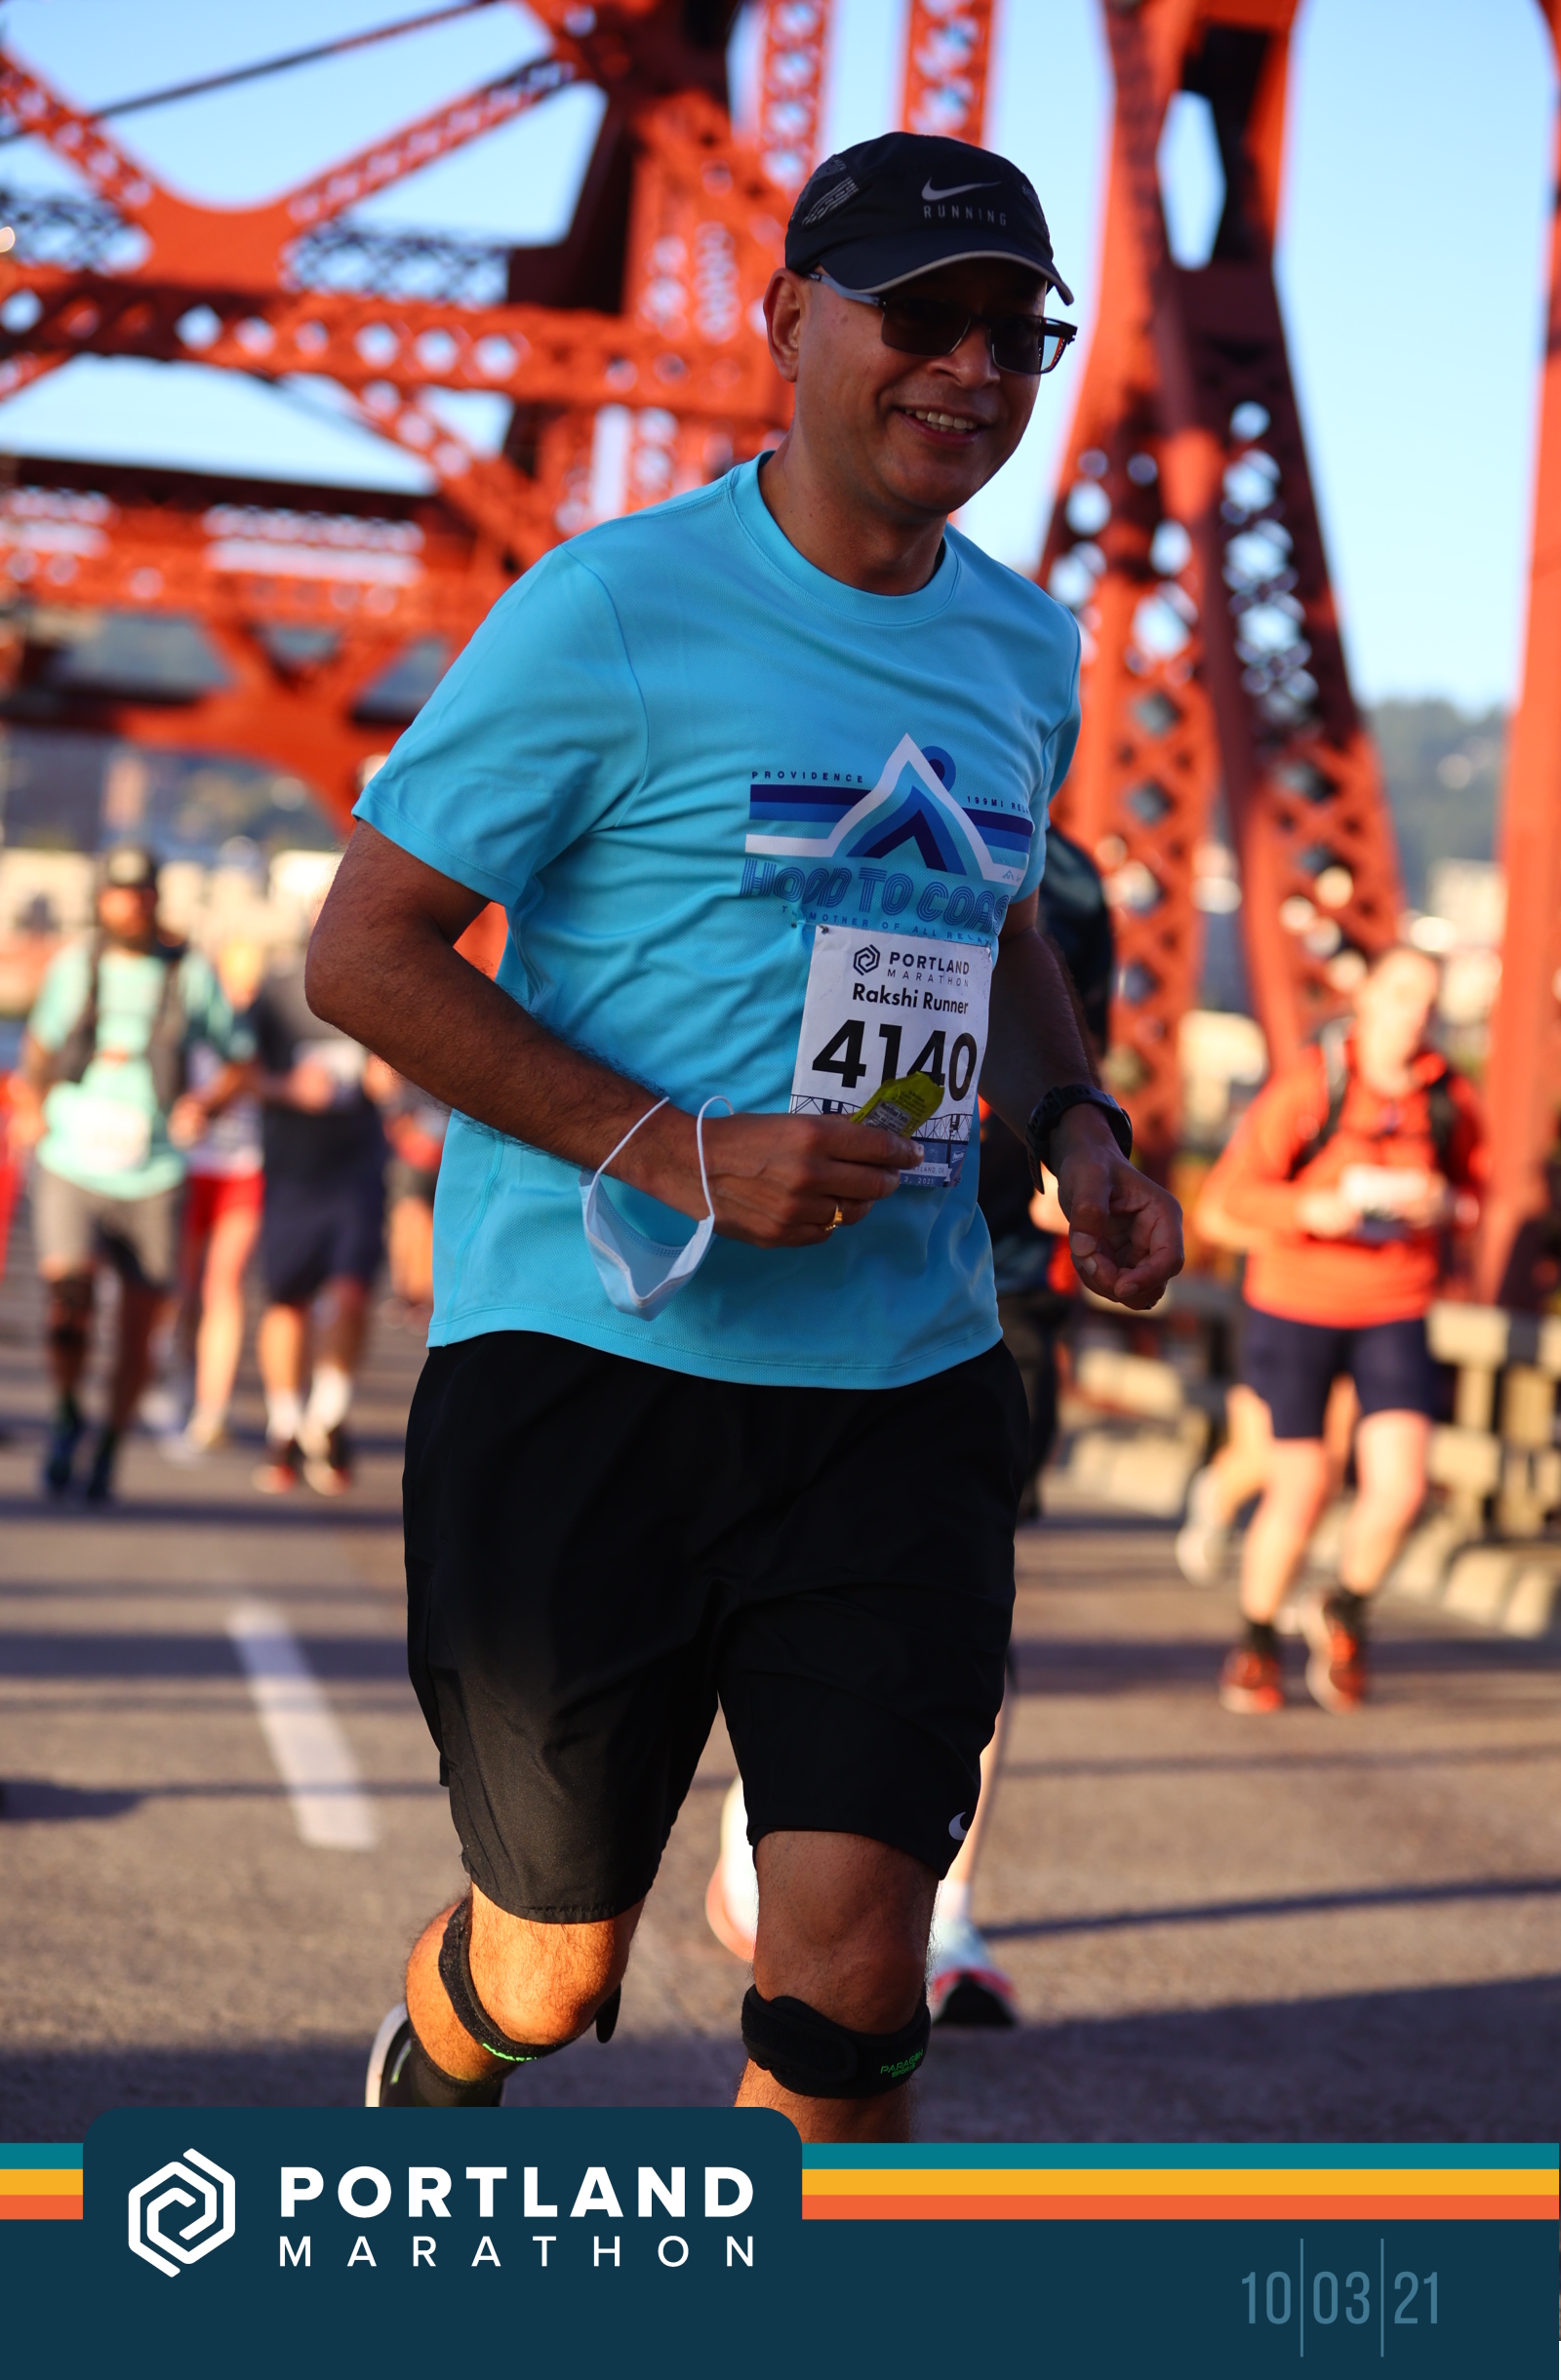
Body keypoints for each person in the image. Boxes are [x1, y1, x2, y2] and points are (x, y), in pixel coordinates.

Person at [308, 129, 1182, 2138]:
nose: (970, 366)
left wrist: (1075, 1124)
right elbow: (364, 953)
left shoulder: (1023, 647)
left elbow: (998, 910)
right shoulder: (613, 608)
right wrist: (681, 1150)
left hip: (901, 1378)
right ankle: (441, 2059)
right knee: (552, 1960)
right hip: (594, 1357)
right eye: (921, 316)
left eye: (1015, 332)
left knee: (859, 1966)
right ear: (788, 318)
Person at [1209, 945, 1484, 1715]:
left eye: (1429, 1001)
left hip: (1394, 1304)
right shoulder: (1315, 1084)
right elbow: (1227, 1200)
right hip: (1296, 1301)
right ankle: (1257, 1641)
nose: (1415, 1014)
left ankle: (1345, 1608)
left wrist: (1444, 1203)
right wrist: (1308, 1209)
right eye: (1400, 995)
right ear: (1366, 998)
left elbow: (1478, 1194)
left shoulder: (1448, 1096)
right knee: (1301, 1485)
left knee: (1402, 1488)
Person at [9, 845, 252, 1502]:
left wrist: (207, 1106)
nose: (130, 907)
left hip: (153, 1172)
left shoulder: (189, 973)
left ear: (155, 899)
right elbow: (39, 1045)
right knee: (69, 1299)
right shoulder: (77, 965)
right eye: (118, 895)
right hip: (72, 1158)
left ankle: (111, 1440)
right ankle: (67, 1412)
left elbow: (240, 1060)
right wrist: (31, 1105)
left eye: (141, 894)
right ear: (101, 901)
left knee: (138, 1329)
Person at [249, 927, 387, 1496]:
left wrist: (389, 1078)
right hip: (293, 1172)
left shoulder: (380, 983)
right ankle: (284, 1423)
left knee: (352, 1293)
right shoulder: (277, 990)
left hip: (357, 1170)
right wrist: (288, 1088)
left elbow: (399, 1069)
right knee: (288, 1301)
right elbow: (241, 1075)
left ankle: (328, 1417)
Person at [162, 935, 268, 1460]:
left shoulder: (261, 1029)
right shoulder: (185, 1021)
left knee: (224, 1284)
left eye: (250, 985)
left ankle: (212, 1409)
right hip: (184, 1170)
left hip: (242, 1169)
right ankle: (180, 1377)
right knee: (181, 1290)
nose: (240, 995)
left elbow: (267, 1081)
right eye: (233, 983)